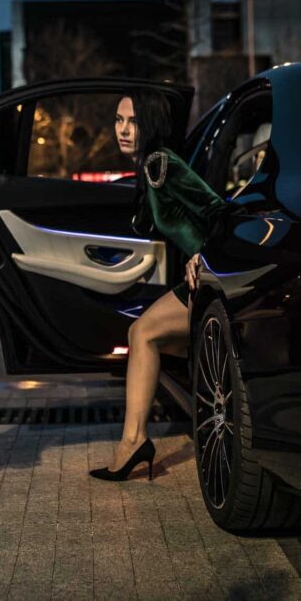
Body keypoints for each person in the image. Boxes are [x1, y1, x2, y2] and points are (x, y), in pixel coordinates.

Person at [89, 91, 228, 481]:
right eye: (118, 120)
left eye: (133, 121)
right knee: (146, 336)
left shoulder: (160, 163)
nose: (123, 129)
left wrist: (202, 254)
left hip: (210, 276)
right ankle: (138, 438)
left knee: (143, 334)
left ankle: (134, 441)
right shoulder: (151, 166)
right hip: (202, 277)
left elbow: (217, 209)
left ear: (151, 124)